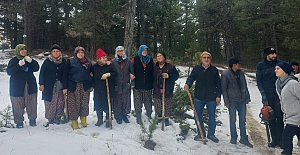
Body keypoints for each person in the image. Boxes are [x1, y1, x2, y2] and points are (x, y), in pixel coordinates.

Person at [184, 51, 221, 143]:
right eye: (204, 57)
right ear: (201, 59)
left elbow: (218, 84)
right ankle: (201, 133)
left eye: (208, 58)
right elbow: (191, 78)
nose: (206, 59)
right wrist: (188, 84)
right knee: (197, 116)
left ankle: (211, 134)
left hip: (211, 98)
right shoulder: (197, 69)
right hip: (199, 97)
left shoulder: (214, 70)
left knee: (212, 117)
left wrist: (218, 95)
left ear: (210, 59)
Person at [221, 57, 253, 147]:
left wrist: (247, 97)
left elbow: (244, 85)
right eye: (238, 64)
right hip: (232, 100)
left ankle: (243, 138)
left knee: (243, 120)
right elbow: (223, 89)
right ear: (234, 65)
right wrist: (226, 101)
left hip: (242, 100)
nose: (240, 65)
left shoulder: (241, 73)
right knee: (232, 120)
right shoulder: (226, 74)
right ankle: (233, 137)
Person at [256, 46, 284, 147]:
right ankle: (274, 139)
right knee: (270, 117)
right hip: (268, 95)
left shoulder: (280, 64)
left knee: (280, 117)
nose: (274, 56)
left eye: (275, 54)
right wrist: (263, 94)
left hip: (279, 95)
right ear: (267, 55)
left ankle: (281, 140)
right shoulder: (260, 66)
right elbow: (259, 81)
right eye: (272, 54)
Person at [7, 44, 40, 128]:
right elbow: (9, 72)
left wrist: (31, 61)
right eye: (22, 49)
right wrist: (18, 66)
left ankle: (32, 120)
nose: (24, 51)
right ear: (18, 51)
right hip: (17, 87)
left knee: (31, 103)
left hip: (30, 86)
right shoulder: (13, 61)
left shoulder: (28, 60)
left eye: (25, 49)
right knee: (17, 104)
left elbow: (36, 68)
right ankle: (19, 122)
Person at [62, 46, 93, 129]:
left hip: (85, 85)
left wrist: (91, 85)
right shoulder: (70, 61)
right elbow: (65, 74)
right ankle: (74, 121)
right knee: (73, 104)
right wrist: (65, 87)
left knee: (84, 103)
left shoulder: (88, 62)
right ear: (76, 53)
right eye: (79, 52)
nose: (81, 54)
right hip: (73, 85)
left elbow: (91, 73)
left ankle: (83, 119)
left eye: (82, 52)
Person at [275, 62, 300, 155]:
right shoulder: (278, 83)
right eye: (275, 68)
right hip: (288, 116)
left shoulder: (292, 83)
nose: (275, 70)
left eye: (278, 68)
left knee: (286, 137)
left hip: (296, 116)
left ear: (284, 71)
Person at [39, 44, 66, 127]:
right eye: (54, 51)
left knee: (60, 102)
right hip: (49, 86)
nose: (56, 53)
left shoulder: (64, 62)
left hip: (60, 86)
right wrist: (41, 84)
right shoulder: (47, 62)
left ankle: (58, 117)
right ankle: (50, 118)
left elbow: (65, 75)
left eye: (57, 51)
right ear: (51, 53)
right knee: (49, 102)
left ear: (60, 52)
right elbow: (42, 73)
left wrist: (65, 87)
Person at [91, 48, 117, 127]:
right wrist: (92, 85)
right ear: (99, 59)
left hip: (108, 88)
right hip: (98, 89)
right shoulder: (94, 67)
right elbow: (91, 76)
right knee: (98, 103)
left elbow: (115, 73)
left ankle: (108, 119)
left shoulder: (109, 65)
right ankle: (99, 119)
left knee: (107, 103)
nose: (105, 59)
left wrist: (109, 74)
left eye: (106, 57)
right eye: (103, 57)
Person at [153, 52, 179, 126]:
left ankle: (166, 118)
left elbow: (176, 76)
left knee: (167, 105)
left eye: (160, 56)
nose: (159, 57)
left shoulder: (170, 66)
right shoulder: (155, 67)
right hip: (157, 89)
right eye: (157, 56)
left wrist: (168, 76)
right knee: (157, 104)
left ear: (164, 57)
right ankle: (158, 118)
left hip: (167, 89)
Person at [111, 46, 134, 124]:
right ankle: (118, 116)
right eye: (118, 51)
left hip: (126, 85)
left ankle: (124, 115)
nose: (120, 52)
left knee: (125, 101)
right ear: (116, 52)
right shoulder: (113, 61)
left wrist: (132, 83)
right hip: (117, 85)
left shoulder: (128, 61)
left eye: (121, 51)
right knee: (117, 101)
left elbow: (132, 72)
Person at [132, 45, 154, 124]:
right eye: (143, 50)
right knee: (138, 101)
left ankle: (149, 114)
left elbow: (154, 69)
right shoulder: (135, 59)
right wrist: (130, 75)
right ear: (140, 51)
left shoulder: (150, 59)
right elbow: (130, 69)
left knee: (148, 101)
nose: (145, 52)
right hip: (138, 85)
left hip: (148, 85)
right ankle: (138, 116)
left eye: (146, 50)